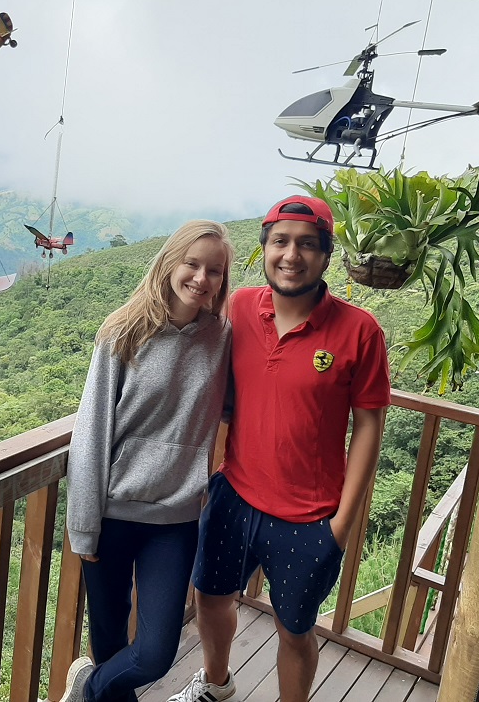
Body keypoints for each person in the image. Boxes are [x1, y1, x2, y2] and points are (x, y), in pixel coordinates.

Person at [169, 196, 391, 702]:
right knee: (210, 597)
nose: (292, 255)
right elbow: (179, 319)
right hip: (234, 495)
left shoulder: (359, 331)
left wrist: (341, 523)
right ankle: (216, 685)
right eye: (281, 241)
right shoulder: (240, 306)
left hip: (310, 518)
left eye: (307, 245)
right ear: (265, 248)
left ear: (326, 256)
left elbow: (369, 426)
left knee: (295, 630)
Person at [60, 219, 236, 702]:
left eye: (214, 270)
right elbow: (91, 432)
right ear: (169, 263)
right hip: (112, 514)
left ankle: (86, 689)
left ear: (224, 280)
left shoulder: (223, 339)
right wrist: (83, 526)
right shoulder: (123, 332)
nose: (201, 278)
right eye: (192, 264)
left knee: (155, 652)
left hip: (175, 518)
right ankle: (98, 687)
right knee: (110, 642)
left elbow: (238, 405)